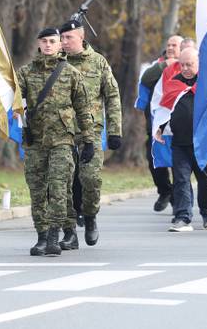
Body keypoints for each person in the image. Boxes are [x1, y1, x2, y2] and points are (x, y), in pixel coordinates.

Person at [18, 28, 96, 257]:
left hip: (62, 139)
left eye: (53, 41)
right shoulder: (25, 73)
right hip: (35, 141)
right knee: (37, 190)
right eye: (44, 41)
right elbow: (13, 100)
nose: (49, 45)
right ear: (39, 44)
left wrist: (89, 141)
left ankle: (54, 234)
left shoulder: (71, 73)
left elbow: (83, 110)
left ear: (60, 44)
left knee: (59, 187)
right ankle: (41, 236)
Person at [59, 20, 122, 248]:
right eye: (62, 38)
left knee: (90, 178)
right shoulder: (56, 63)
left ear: (81, 37)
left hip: (90, 132)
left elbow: (112, 96)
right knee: (62, 182)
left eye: (69, 38)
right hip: (61, 132)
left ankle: (91, 215)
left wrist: (114, 130)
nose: (64, 43)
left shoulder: (98, 63)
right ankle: (69, 231)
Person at [154, 48, 207, 232]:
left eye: (189, 64)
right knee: (181, 180)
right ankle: (183, 217)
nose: (185, 68)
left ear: (198, 63)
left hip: (204, 143)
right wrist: (159, 128)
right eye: (182, 64)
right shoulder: (173, 83)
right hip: (180, 143)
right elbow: (164, 109)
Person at [137, 35, 182, 211]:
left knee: (179, 165)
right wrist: (165, 65)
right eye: (169, 44)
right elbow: (145, 80)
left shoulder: (189, 64)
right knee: (154, 161)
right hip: (157, 125)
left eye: (175, 45)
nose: (171, 48)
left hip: (180, 125)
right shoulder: (157, 65)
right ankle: (165, 191)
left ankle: (179, 203)